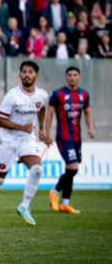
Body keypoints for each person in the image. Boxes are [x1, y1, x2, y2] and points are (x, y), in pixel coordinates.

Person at [0, 61, 48, 227]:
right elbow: (0, 121)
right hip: (8, 141)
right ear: (20, 75)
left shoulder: (42, 95)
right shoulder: (12, 96)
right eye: (24, 72)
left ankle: (24, 206)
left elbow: (42, 108)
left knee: (37, 170)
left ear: (36, 76)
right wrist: (20, 127)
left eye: (30, 72)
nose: (27, 74)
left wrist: (42, 128)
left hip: (27, 140)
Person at [45, 67, 94, 214]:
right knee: (73, 168)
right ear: (66, 77)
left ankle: (65, 203)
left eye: (75, 75)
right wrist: (46, 134)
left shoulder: (84, 94)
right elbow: (50, 114)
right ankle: (54, 191)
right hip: (63, 138)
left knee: (70, 170)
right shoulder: (58, 94)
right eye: (70, 75)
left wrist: (90, 128)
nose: (72, 77)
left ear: (79, 77)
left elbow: (87, 112)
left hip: (77, 138)